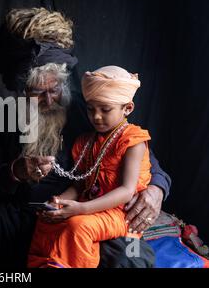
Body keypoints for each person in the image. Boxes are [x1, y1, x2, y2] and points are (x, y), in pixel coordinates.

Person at [0, 8, 171, 267]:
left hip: (82, 213)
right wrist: (16, 171)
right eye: (38, 92)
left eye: (55, 89)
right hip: (25, 214)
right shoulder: (5, 114)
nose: (49, 100)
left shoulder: (92, 109)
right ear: (21, 89)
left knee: (129, 256)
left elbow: (139, 154)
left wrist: (156, 189)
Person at [28, 65, 152, 268]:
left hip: (120, 214)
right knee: (47, 218)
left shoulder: (133, 141)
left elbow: (127, 191)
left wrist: (82, 209)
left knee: (79, 226)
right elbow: (79, 185)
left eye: (105, 110)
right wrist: (59, 201)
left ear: (127, 108)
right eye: (91, 109)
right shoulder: (85, 141)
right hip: (90, 206)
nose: (96, 116)